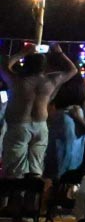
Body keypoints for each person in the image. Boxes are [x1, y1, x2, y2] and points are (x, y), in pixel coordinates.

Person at [4, 46, 78, 177]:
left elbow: (4, 67)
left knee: (15, 171)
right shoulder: (51, 81)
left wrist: (22, 53)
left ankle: (16, 190)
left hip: (19, 125)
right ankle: (34, 190)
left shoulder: (17, 80)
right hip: (41, 125)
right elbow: (73, 70)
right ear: (44, 66)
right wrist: (59, 52)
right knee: (36, 169)